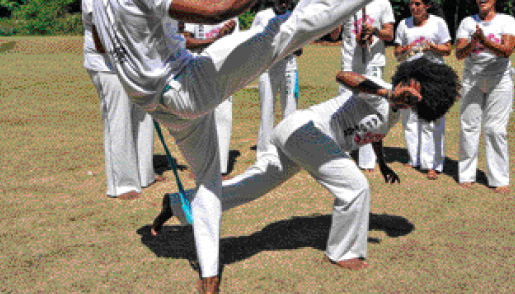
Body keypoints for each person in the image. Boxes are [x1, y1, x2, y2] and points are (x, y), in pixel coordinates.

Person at [89, 0, 413, 294]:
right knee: (282, 31)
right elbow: (213, 9)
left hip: (157, 104)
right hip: (187, 89)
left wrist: (151, 57)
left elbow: (105, 47)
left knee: (209, 180)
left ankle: (209, 276)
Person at [151, 57, 460, 271]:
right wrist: (388, 92)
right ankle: (342, 252)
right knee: (355, 187)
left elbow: (372, 133)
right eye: (416, 92)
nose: (413, 100)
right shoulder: (378, 88)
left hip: (302, 140)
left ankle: (179, 204)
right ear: (410, 78)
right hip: (305, 130)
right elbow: (344, 77)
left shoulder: (393, 112)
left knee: (251, 185)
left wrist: (382, 163)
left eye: (420, 102)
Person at [82, 0, 159, 200]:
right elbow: (99, 31)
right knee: (119, 119)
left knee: (143, 116)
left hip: (132, 64)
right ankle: (122, 184)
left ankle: (144, 174)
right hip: (106, 65)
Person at [454, 0, 515, 194]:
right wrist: (473, 42)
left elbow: (507, 50)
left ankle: (499, 178)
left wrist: (484, 41)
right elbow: (459, 54)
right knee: (469, 126)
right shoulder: (467, 22)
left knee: (494, 129)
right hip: (472, 80)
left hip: (499, 81)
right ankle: (466, 174)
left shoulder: (507, 21)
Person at [180, 0, 238, 176]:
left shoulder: (232, 15)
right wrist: (215, 38)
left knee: (223, 118)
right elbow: (185, 41)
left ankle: (220, 168)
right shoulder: (193, 13)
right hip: (196, 70)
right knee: (198, 120)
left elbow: (234, 45)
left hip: (223, 72)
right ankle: (199, 166)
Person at [329, 0, 395, 172]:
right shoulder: (347, 0)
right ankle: (343, 155)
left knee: (371, 111)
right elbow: (334, 35)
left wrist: (374, 31)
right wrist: (337, 17)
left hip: (373, 64)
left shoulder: (382, 2)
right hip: (349, 64)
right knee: (344, 110)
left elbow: (390, 34)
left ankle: (367, 161)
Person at [394, 0, 452, 180]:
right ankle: (414, 159)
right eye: (411, 3)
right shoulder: (404, 24)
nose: (413, 7)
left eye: (418, 4)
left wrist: (432, 46)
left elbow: (447, 49)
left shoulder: (438, 23)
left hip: (433, 76)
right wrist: (407, 48)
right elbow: (397, 53)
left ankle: (432, 164)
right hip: (409, 75)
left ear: (427, 6)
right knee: (409, 119)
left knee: (431, 120)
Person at [252, 0, 302, 159]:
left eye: (286, 3)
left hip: (289, 67)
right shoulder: (262, 16)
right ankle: (264, 151)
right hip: (267, 69)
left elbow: (299, 48)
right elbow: (254, 40)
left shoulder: (294, 17)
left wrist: (293, 48)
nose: (283, 5)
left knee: (290, 110)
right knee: (267, 109)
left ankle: (289, 150)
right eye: (280, 1)